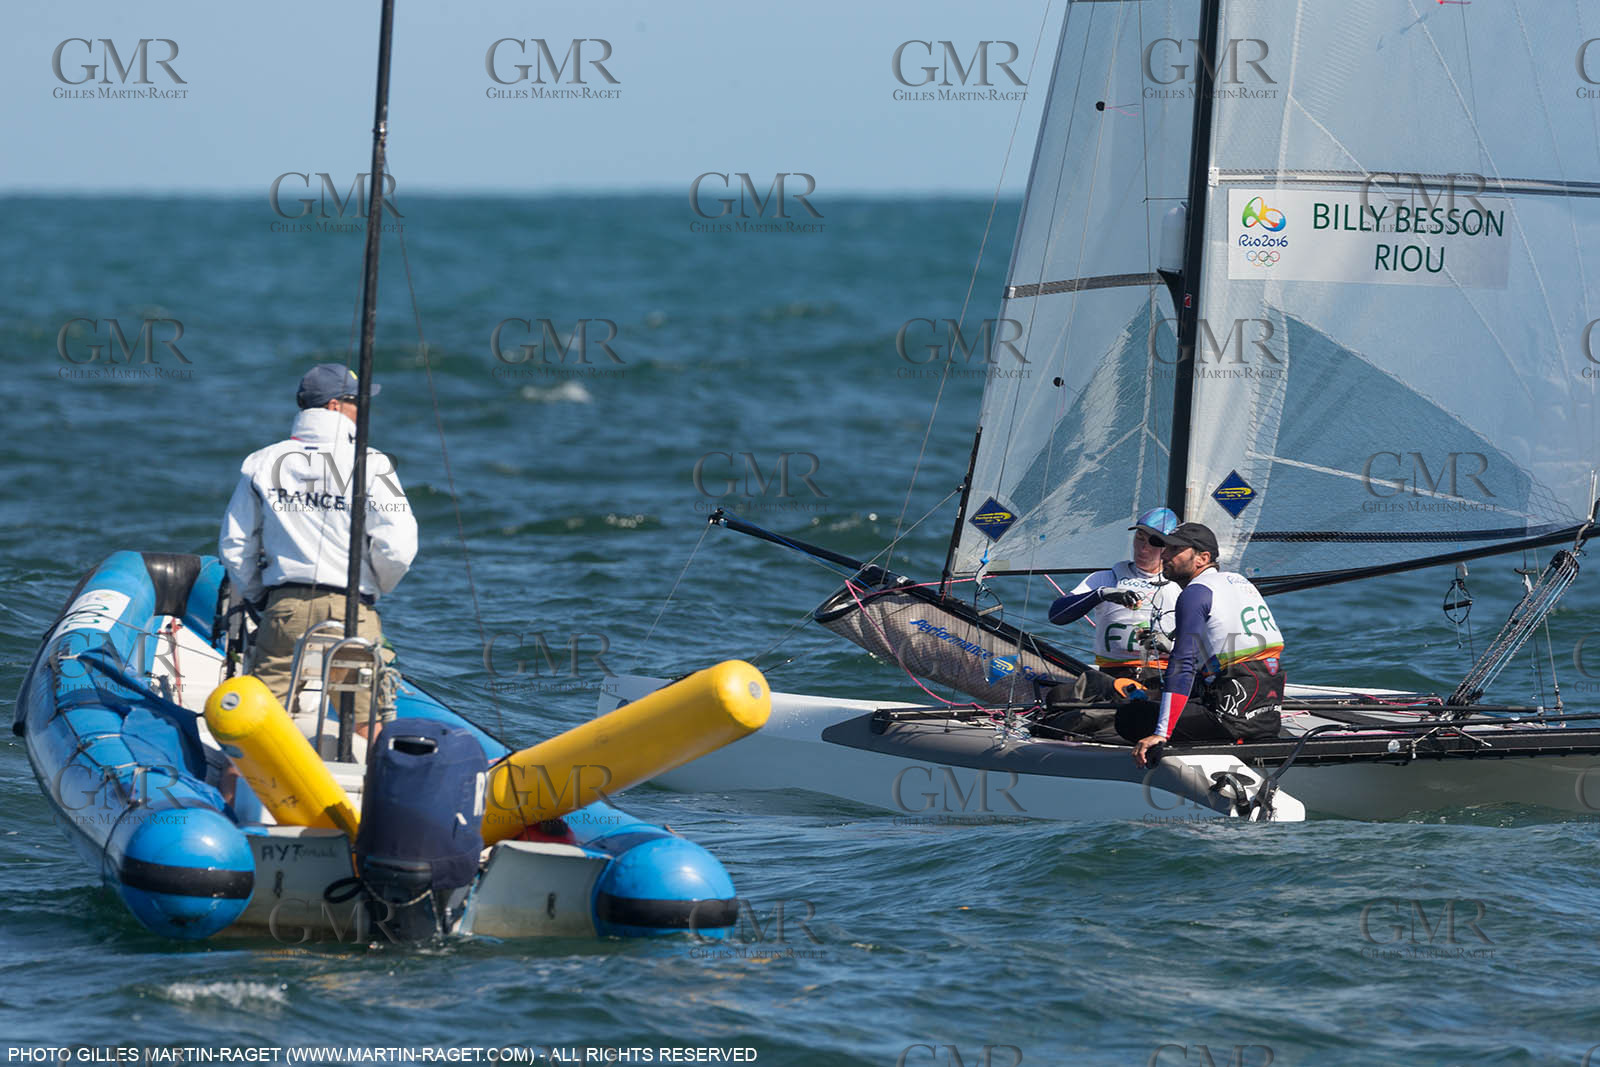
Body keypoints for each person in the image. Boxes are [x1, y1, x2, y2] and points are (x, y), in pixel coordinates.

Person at [218, 363, 418, 738]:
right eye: (356, 402)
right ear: (334, 406)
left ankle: (234, 795)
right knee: (367, 721)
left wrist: (260, 596)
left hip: (285, 607)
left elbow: (235, 545)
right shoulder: (372, 465)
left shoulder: (262, 462)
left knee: (256, 722)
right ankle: (372, 793)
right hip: (351, 610)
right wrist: (374, 588)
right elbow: (398, 547)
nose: (362, 410)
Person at [1118, 522, 1285, 766]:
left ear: (1202, 558)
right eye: (1165, 548)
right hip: (1267, 717)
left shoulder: (1195, 592)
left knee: (1130, 716)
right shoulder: (1240, 582)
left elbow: (1182, 663)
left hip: (1231, 724)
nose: (1164, 554)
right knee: (1162, 697)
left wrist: (1161, 734)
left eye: (1175, 549)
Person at [1047, 507, 1182, 682]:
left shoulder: (1182, 585)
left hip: (1164, 675)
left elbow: (1211, 637)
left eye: (1154, 543)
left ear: (1170, 547)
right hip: (1113, 675)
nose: (1143, 548)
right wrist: (1100, 594)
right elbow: (1056, 616)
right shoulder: (1105, 578)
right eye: (1139, 538)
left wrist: (1172, 645)